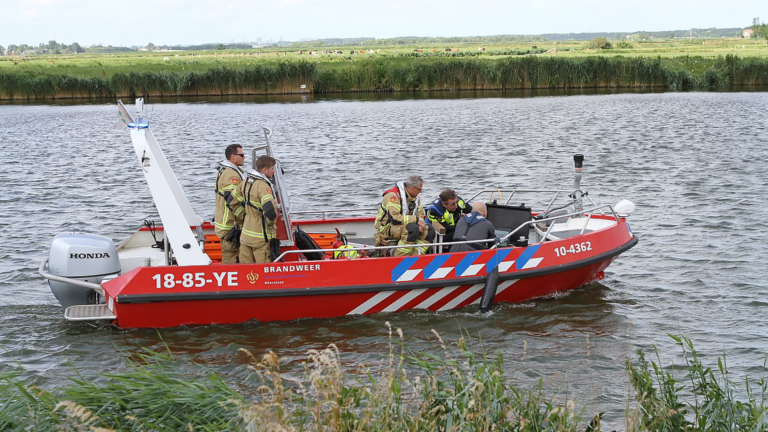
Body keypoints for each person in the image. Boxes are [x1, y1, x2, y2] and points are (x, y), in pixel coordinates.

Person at [374, 175, 435, 256]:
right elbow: (394, 218)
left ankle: (415, 256)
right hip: (387, 227)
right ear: (413, 188)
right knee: (412, 229)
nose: (420, 192)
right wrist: (416, 220)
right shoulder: (393, 196)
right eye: (419, 189)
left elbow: (420, 214)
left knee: (430, 231)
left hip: (405, 225)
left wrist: (421, 224)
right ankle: (399, 257)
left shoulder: (416, 198)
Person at [237, 155, 278, 264]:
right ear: (264, 170)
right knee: (263, 269)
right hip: (261, 237)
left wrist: (243, 216)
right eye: (272, 169)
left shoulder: (245, 182)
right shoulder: (263, 187)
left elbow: (231, 200)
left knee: (246, 270)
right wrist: (270, 224)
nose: (274, 171)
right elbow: (269, 210)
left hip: (245, 235)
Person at [214, 144, 246, 263]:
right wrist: (244, 216)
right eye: (241, 155)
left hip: (224, 221)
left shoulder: (224, 170)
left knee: (230, 253)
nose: (244, 157)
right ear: (233, 156)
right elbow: (231, 200)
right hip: (229, 223)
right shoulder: (232, 174)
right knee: (230, 255)